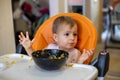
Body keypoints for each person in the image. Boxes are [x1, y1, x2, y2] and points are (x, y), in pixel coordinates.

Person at [19, 16, 93, 64]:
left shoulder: (76, 53)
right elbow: (38, 60)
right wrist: (29, 48)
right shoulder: (50, 48)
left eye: (75, 34)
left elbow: (77, 73)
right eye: (67, 34)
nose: (72, 38)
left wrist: (81, 60)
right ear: (56, 37)